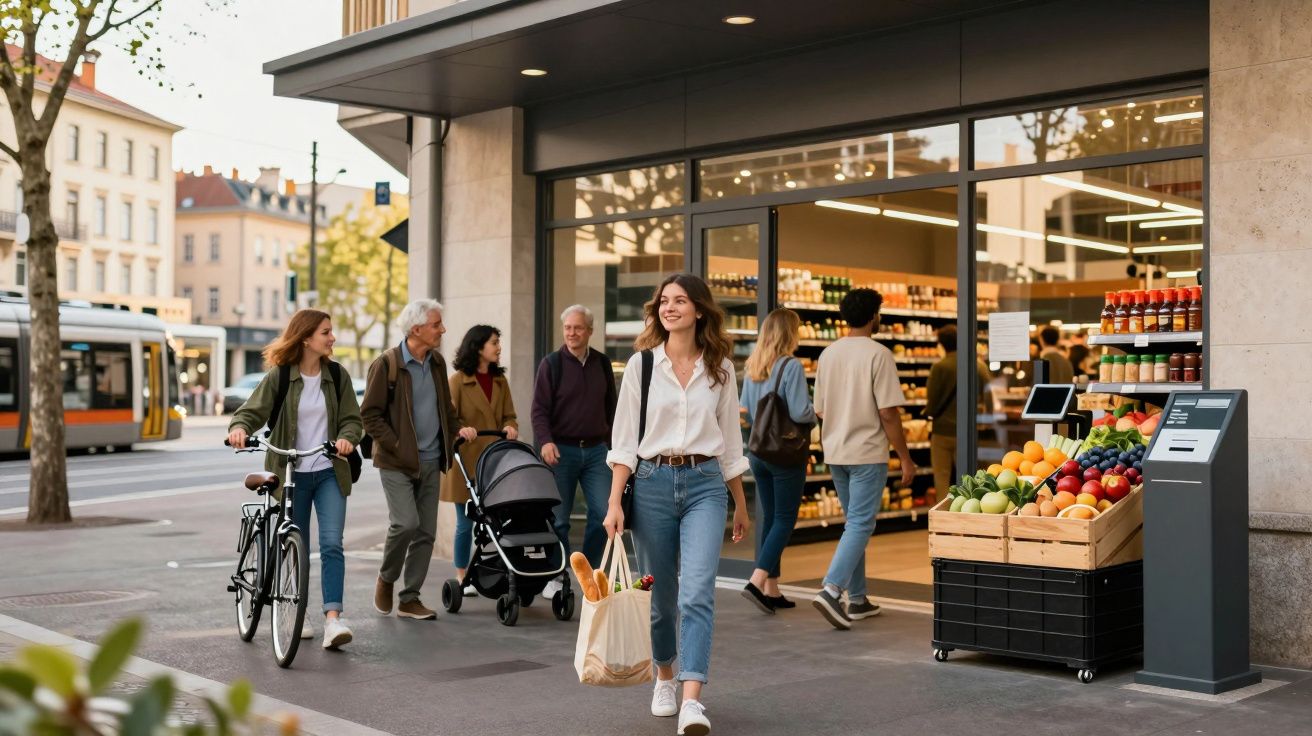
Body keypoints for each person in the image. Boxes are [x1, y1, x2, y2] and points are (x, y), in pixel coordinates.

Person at [604, 272, 750, 736]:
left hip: (706, 483)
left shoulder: (721, 369)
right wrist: (614, 504)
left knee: (698, 592)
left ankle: (692, 699)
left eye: (680, 301)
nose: (670, 308)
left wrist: (740, 503)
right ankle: (663, 677)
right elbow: (625, 442)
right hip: (650, 484)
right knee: (661, 597)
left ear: (699, 310)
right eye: (664, 301)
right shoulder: (642, 367)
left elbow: (729, 443)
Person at [227, 308, 362, 650]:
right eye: (326, 332)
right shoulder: (281, 376)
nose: (332, 338)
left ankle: (333, 620)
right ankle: (292, 610)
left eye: (331, 332)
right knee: (292, 546)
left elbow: (352, 420)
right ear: (306, 338)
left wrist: (347, 437)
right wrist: (240, 429)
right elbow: (251, 410)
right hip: (290, 473)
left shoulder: (338, 376)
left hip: (329, 471)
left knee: (331, 543)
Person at [361, 299, 477, 621]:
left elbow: (446, 410)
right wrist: (397, 444)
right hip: (396, 461)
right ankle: (386, 578)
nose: (443, 329)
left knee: (425, 531)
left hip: (431, 460)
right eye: (437, 324)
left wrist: (456, 429)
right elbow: (369, 415)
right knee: (405, 523)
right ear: (416, 330)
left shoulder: (437, 363)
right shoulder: (387, 364)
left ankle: (409, 598)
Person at [811, 288, 916, 630]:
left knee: (852, 524)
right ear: (874, 316)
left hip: (836, 452)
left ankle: (858, 599)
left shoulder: (828, 354)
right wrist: (905, 457)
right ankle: (831, 589)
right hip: (868, 452)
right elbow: (888, 413)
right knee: (860, 524)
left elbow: (821, 410)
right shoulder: (879, 354)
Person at [531, 305, 617, 601]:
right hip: (561, 452)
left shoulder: (602, 364)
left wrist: (614, 446)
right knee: (559, 520)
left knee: (604, 514)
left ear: (590, 331)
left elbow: (612, 409)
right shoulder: (551, 364)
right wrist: (545, 441)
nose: (571, 333)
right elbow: (539, 410)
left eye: (578, 328)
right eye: (567, 327)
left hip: (596, 452)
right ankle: (557, 575)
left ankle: (588, 570)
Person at [737, 308, 815, 614]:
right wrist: (815, 411)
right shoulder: (790, 366)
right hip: (785, 454)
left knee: (770, 519)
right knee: (784, 519)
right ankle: (756, 581)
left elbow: (744, 411)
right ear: (789, 333)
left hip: (759, 453)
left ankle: (772, 588)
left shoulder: (753, 364)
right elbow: (799, 413)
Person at [443, 324, 519, 593]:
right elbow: (448, 420)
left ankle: (495, 570)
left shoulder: (500, 381)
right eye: (494, 343)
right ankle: (462, 574)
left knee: (496, 524)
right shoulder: (457, 382)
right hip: (466, 462)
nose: (499, 348)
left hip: (495, 464)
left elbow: (510, 415)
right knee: (465, 524)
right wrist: (461, 429)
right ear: (478, 347)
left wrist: (510, 426)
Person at [924, 326, 992, 498]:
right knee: (969, 479)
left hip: (941, 431)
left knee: (942, 479)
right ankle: (968, 513)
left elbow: (932, 401)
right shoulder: (978, 366)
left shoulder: (939, 367)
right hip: (968, 431)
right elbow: (990, 394)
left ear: (941, 344)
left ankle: (943, 518)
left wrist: (928, 413)